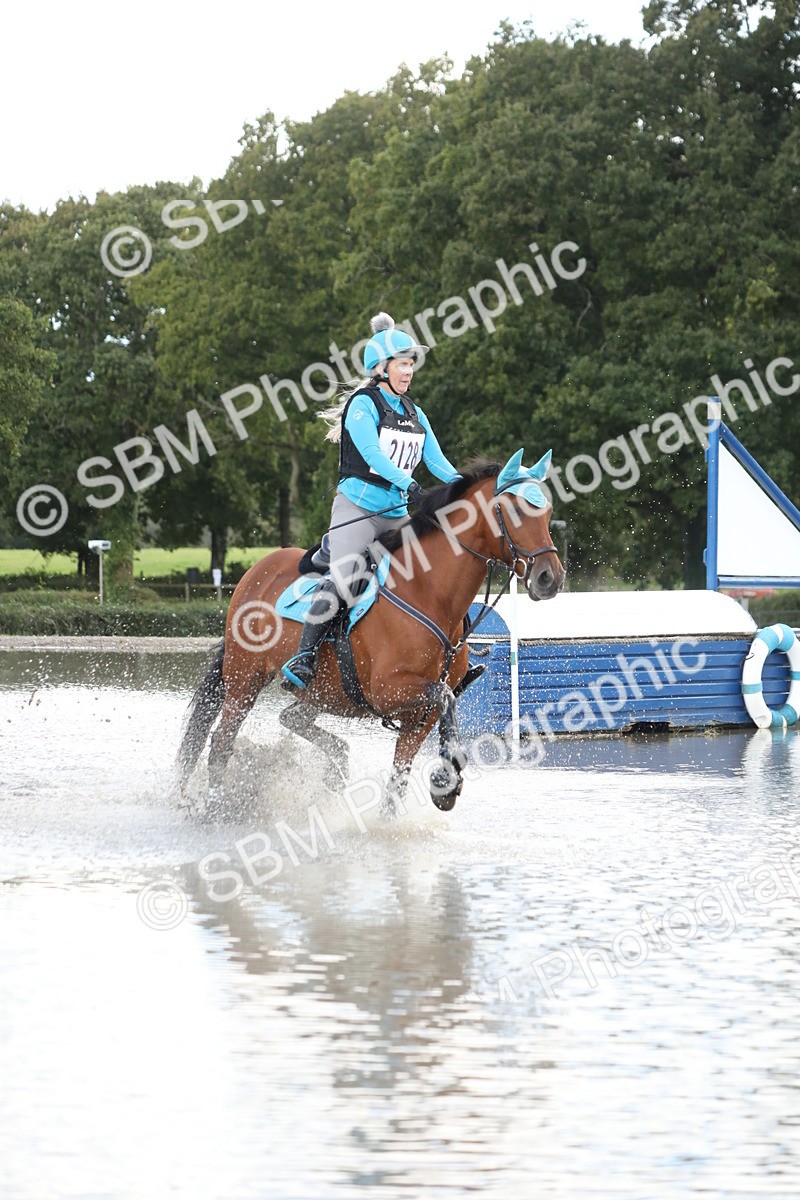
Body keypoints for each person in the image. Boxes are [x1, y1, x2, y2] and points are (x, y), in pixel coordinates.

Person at [281, 312, 462, 689]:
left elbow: (437, 462)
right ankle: (304, 657)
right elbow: (374, 457)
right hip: (358, 509)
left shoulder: (415, 413)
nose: (409, 371)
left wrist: (466, 486)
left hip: (395, 514)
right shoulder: (362, 406)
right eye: (402, 363)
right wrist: (411, 486)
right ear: (381, 367)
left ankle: (443, 661)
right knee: (346, 575)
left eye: (411, 363)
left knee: (431, 572)